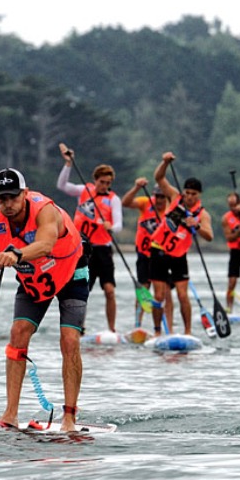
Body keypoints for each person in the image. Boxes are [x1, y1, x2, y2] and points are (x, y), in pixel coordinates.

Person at [0, 167, 88, 432]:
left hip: (71, 270)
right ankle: (10, 414)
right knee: (18, 333)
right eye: (2, 199)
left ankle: (69, 418)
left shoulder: (44, 210)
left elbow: (45, 245)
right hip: (35, 279)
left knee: (69, 340)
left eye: (13, 198)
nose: (8, 205)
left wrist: (15, 254)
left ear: (25, 194)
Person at [57, 143, 122, 332]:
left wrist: (112, 227)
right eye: (102, 182)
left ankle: (112, 329)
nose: (105, 186)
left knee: (109, 291)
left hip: (103, 250)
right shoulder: (84, 190)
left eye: (108, 183)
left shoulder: (114, 199)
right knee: (83, 290)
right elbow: (62, 185)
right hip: (83, 248)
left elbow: (118, 225)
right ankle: (80, 326)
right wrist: (68, 164)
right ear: (96, 181)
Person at [150, 151, 213, 336]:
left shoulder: (202, 213)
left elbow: (209, 236)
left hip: (178, 256)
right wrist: (165, 162)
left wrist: (197, 225)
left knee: (182, 295)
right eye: (187, 193)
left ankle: (187, 332)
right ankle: (157, 332)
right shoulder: (174, 196)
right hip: (158, 250)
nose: (189, 197)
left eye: (193, 194)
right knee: (159, 296)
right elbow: (159, 177)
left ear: (199, 195)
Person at [121, 177, 172, 328]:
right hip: (144, 254)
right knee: (143, 289)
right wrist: (136, 187)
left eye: (162, 197)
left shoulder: (170, 210)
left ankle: (168, 327)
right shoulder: (145, 202)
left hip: (163, 256)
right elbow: (125, 203)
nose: (159, 200)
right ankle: (138, 325)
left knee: (165, 293)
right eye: (157, 196)